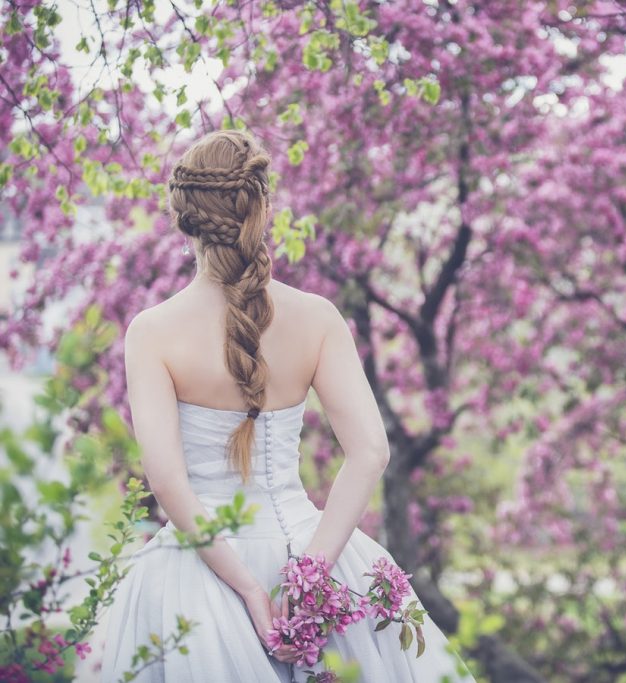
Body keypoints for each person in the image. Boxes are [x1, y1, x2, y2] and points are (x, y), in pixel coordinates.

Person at [99, 129, 475, 682]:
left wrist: (248, 588)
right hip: (312, 547)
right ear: (263, 209)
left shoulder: (151, 332)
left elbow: (167, 480)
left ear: (183, 217)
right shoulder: (318, 317)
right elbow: (370, 451)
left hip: (197, 575)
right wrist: (316, 571)